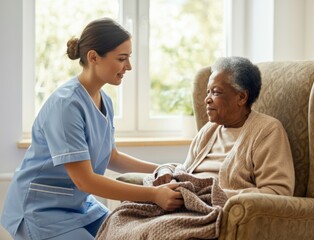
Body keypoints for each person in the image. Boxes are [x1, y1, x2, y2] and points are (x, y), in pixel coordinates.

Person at [0, 18, 183, 240]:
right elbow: (85, 180)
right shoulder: (66, 105)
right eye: (122, 58)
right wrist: (153, 195)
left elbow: (112, 156)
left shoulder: (104, 100)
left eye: (129, 58)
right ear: (93, 57)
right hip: (39, 210)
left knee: (128, 233)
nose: (129, 66)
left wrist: (164, 168)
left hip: (79, 205)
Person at [153, 56, 295, 198]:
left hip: (215, 209)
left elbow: (278, 191)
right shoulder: (209, 130)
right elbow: (185, 170)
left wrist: (214, 195)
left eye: (216, 92)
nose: (207, 99)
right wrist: (165, 171)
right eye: (208, 92)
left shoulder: (267, 131)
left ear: (241, 97)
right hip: (185, 200)